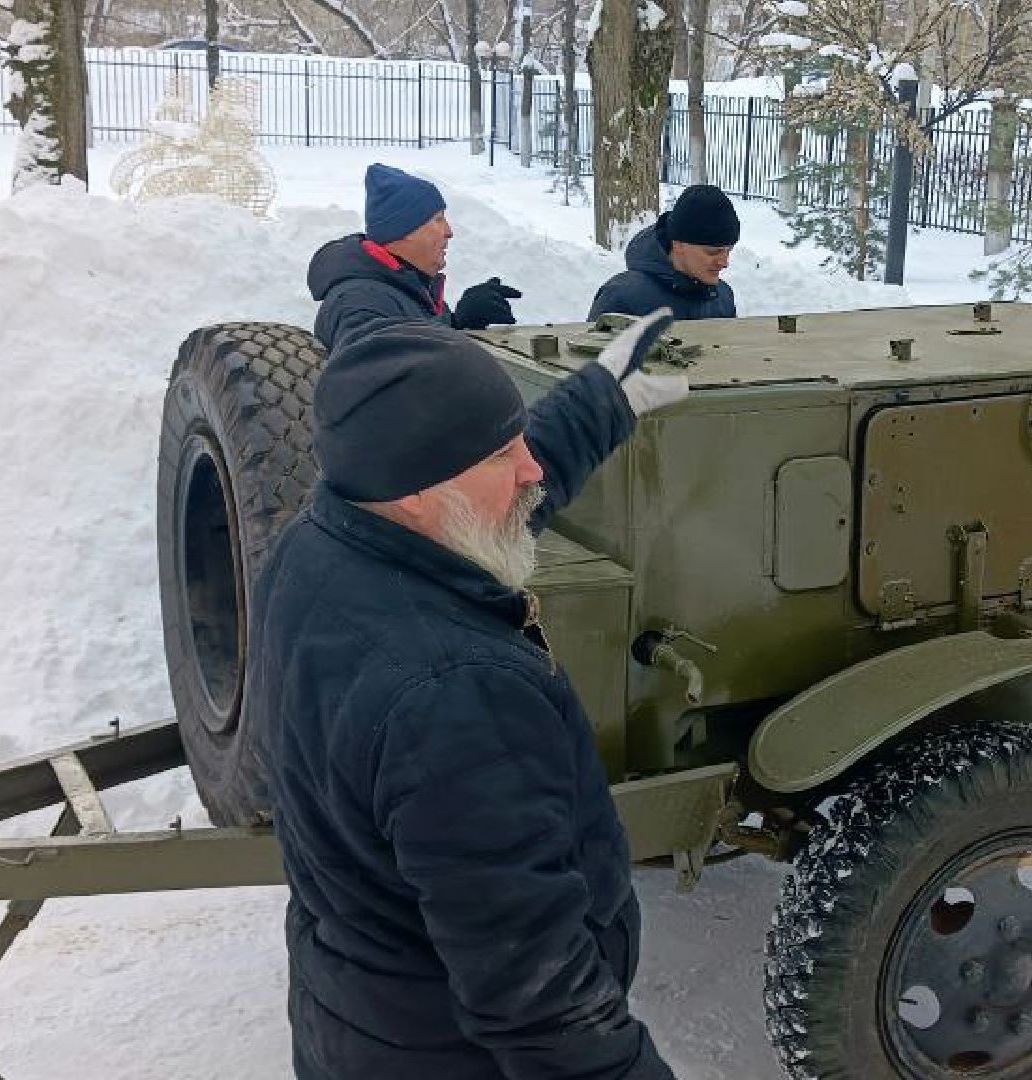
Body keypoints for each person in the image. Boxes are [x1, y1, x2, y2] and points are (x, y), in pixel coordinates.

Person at [251, 311, 688, 1077]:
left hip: (357, 1012)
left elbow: (497, 499)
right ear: (417, 489)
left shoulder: (321, 541)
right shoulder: (456, 699)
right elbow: (544, 1005)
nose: (531, 470)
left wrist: (601, 399)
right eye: (501, 453)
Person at [307, 163, 523, 353]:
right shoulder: (361, 304)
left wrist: (461, 321)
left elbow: (418, 351)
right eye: (438, 219)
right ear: (405, 231)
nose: (449, 232)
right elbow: (382, 376)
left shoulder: (405, 285)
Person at [589, 184, 741, 320]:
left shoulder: (722, 298)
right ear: (678, 245)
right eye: (712, 252)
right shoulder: (621, 298)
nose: (724, 263)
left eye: (729, 250)